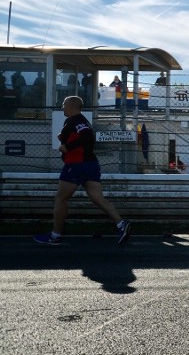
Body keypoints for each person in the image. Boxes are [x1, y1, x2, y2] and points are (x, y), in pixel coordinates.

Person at [34, 96, 131, 246]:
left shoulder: (75, 120)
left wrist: (67, 147)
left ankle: (55, 236)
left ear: (72, 106)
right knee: (97, 198)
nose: (62, 107)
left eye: (64, 104)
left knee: (60, 199)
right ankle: (121, 224)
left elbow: (88, 138)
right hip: (91, 164)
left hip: (77, 164)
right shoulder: (82, 121)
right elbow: (84, 137)